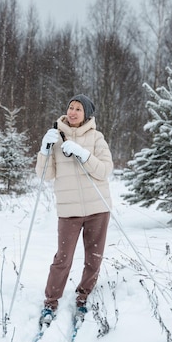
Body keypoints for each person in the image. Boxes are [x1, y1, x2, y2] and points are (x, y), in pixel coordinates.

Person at [35, 94, 114, 327]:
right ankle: (51, 301)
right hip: (69, 210)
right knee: (63, 258)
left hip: (97, 208)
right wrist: (45, 150)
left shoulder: (96, 138)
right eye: (71, 107)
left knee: (94, 257)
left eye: (78, 109)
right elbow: (44, 176)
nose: (72, 112)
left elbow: (104, 170)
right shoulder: (55, 137)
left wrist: (83, 154)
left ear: (87, 114)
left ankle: (83, 295)